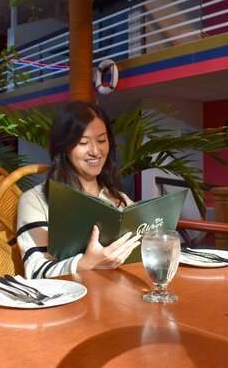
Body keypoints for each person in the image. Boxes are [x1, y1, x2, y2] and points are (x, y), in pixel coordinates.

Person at [17, 101, 142, 279]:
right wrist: (86, 263)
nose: (95, 151)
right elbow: (37, 272)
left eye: (101, 140)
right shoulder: (36, 200)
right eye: (83, 142)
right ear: (64, 147)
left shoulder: (119, 199)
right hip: (70, 302)